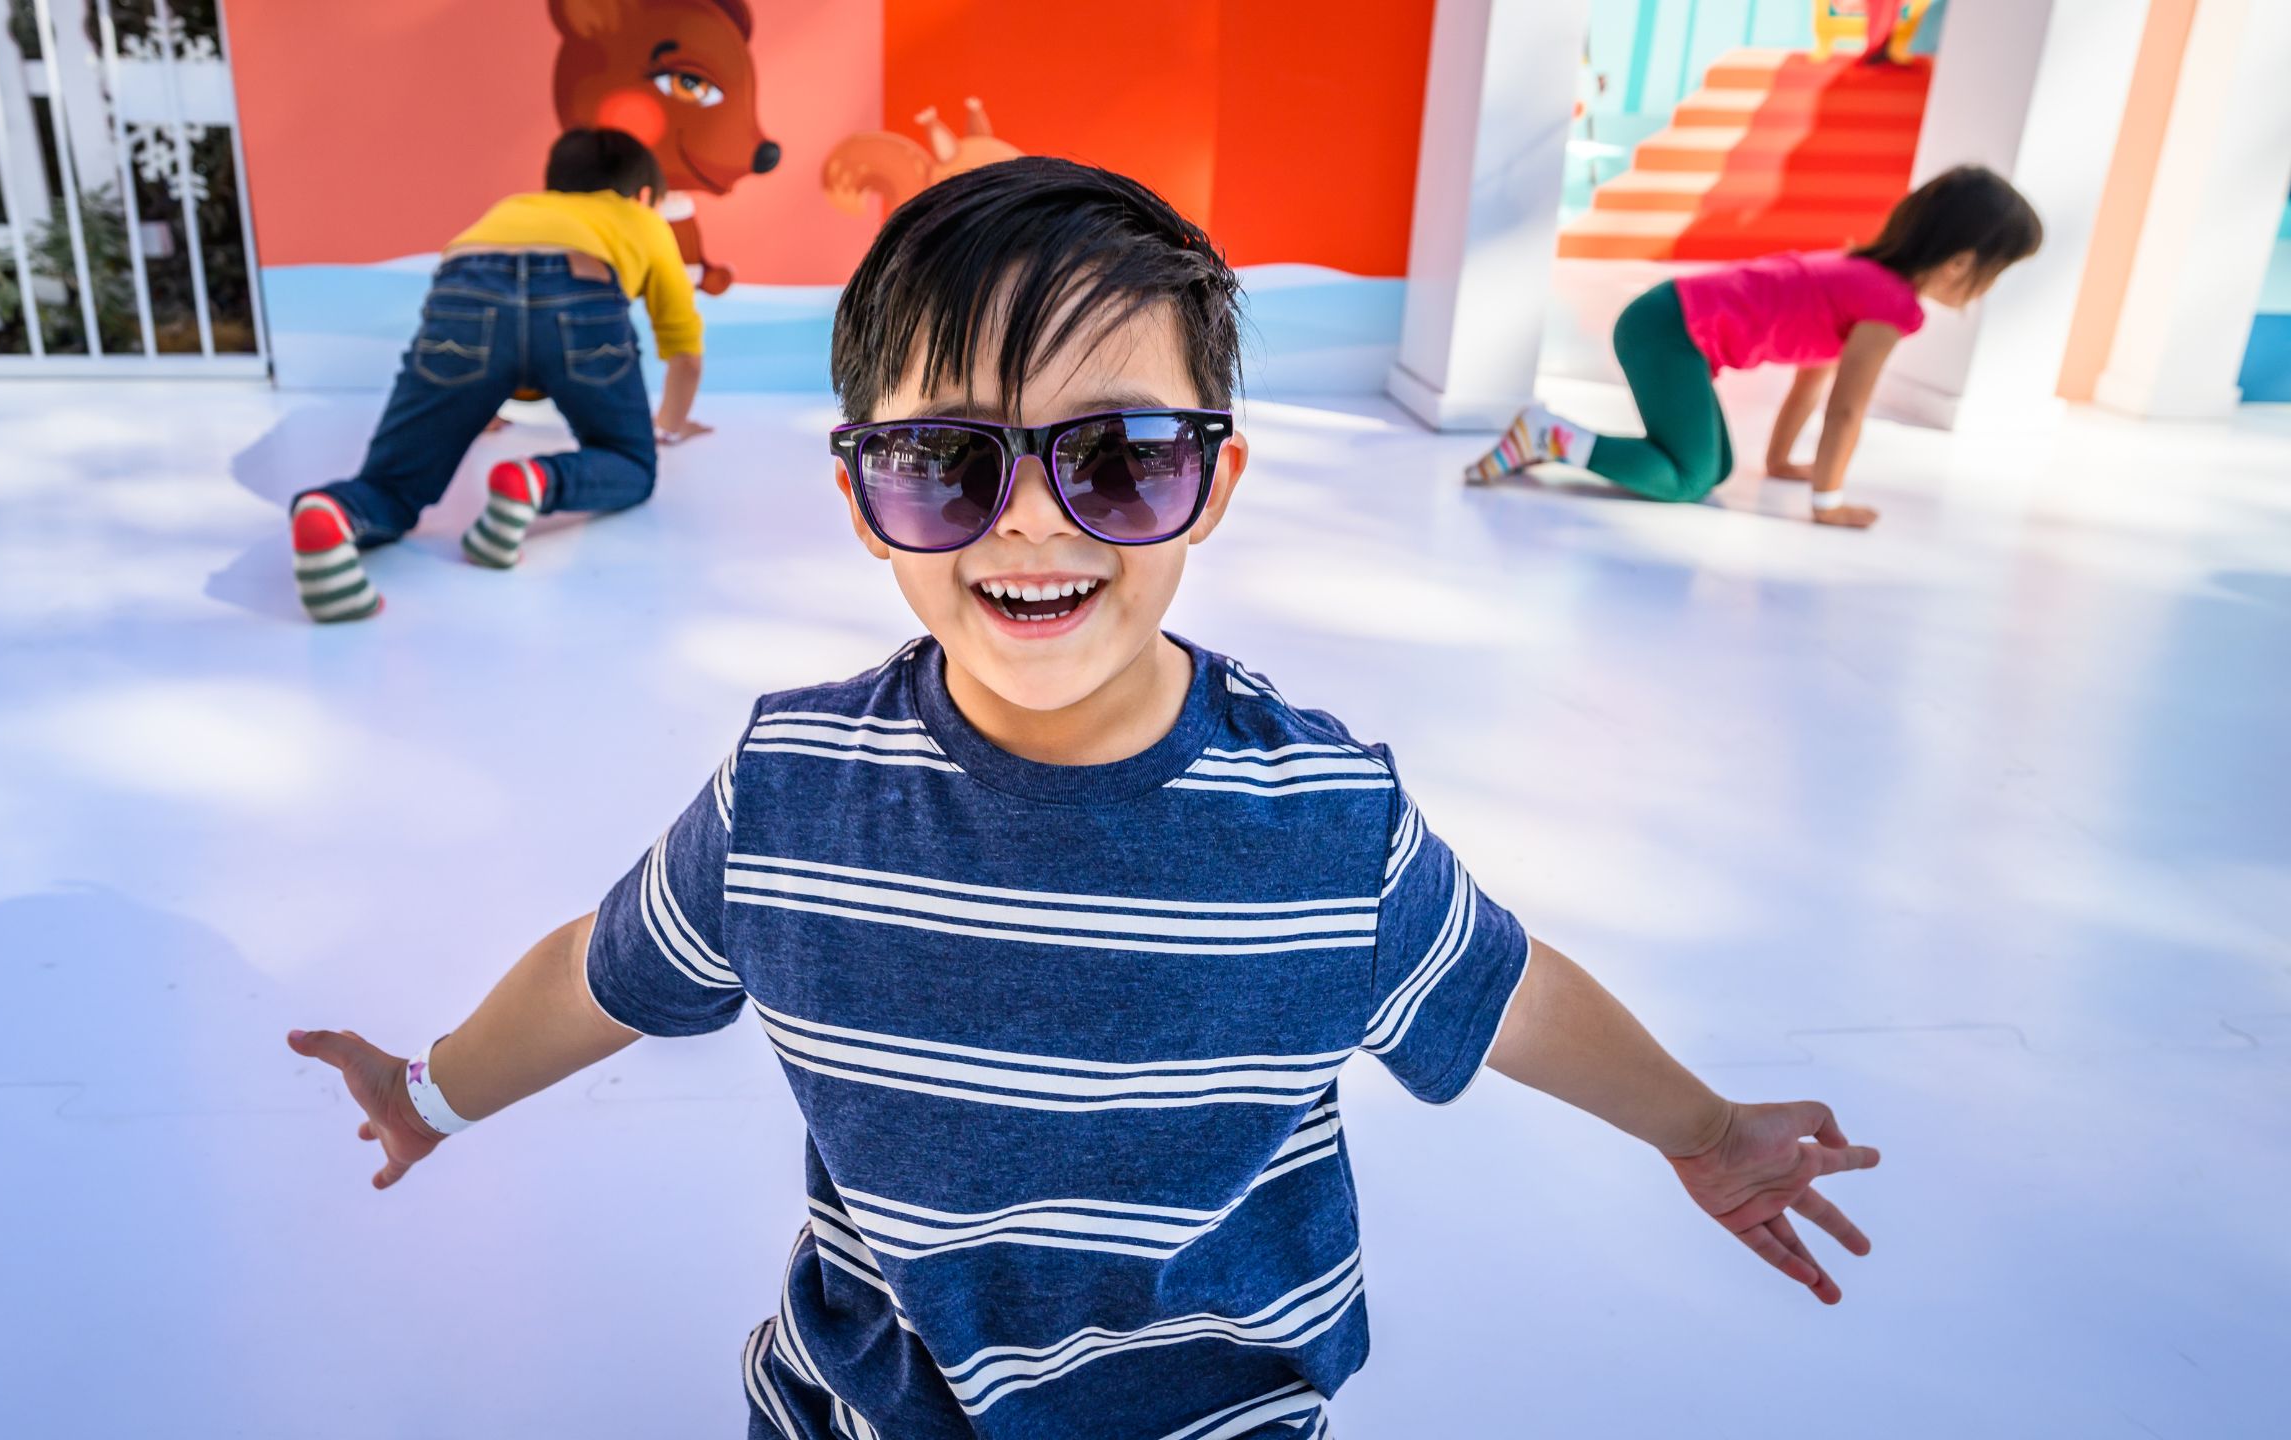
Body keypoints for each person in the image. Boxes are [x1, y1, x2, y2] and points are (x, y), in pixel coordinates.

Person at [290, 158, 1881, 1437]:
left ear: (1219, 485)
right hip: (861, 1399)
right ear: (862, 499)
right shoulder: (786, 798)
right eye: (947, 464)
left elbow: (1507, 993)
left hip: (1209, 1415)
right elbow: (604, 972)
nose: (1034, 526)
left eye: (1118, 459)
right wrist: (432, 1095)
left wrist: (1710, 1126)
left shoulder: (1322, 824)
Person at [1468, 165, 2042, 530]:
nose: (1988, 286)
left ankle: (1556, 439)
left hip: (1667, 320)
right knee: (1690, 482)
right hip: (1668, 331)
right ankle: (1551, 435)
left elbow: (1814, 379)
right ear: (1962, 261)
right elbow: (1847, 408)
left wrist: (1779, 461)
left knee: (1714, 468)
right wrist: (1829, 502)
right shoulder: (1888, 306)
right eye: (1996, 272)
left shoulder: (1861, 277)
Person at [290, 128, 709, 624]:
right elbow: (684, 350)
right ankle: (532, 481)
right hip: (581, 293)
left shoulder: (511, 210)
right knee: (631, 464)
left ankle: (332, 511)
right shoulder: (641, 219)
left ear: (554, 182)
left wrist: (474, 405)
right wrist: (667, 425)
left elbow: (508, 315)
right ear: (641, 191)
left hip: (465, 291)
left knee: (393, 484)